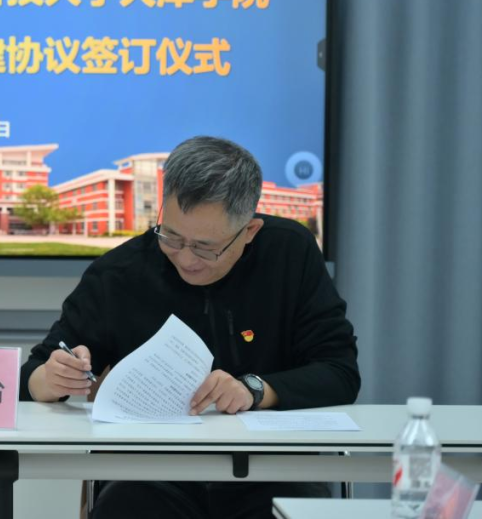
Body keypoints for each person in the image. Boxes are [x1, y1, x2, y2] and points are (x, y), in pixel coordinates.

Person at [21, 136, 360, 519]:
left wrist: (254, 390)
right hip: (152, 474)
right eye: (171, 236)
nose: (186, 259)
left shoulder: (289, 252)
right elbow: (31, 376)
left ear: (249, 230)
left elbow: (339, 372)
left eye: (205, 246)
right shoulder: (119, 274)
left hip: (270, 468)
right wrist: (52, 379)